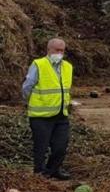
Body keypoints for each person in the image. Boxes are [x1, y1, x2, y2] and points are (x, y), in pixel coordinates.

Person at [21, 38, 73, 180]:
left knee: (60, 147)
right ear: (49, 50)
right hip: (40, 115)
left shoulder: (67, 67)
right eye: (57, 50)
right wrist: (29, 102)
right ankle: (39, 173)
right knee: (41, 147)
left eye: (62, 50)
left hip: (61, 114)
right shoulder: (39, 64)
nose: (60, 53)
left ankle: (53, 170)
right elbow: (27, 87)